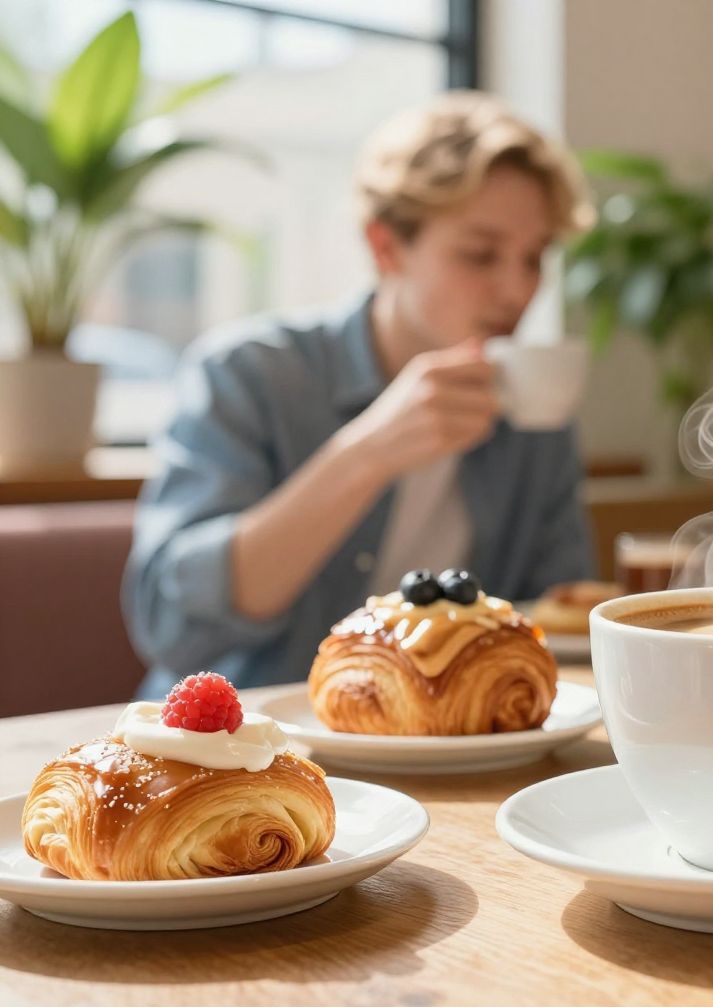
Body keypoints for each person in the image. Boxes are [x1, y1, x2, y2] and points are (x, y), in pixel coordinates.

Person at [125, 91, 596, 696]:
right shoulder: (249, 373)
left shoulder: (533, 414)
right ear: (385, 247)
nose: (517, 289)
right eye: (481, 254)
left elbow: (559, 620)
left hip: (442, 749)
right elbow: (172, 623)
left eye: (535, 258)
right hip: (248, 753)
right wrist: (368, 452)